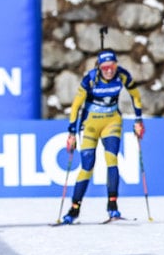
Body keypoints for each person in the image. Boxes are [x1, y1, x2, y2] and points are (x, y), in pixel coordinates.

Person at [61, 49, 145, 224]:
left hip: (111, 123)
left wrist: (138, 120)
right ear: (99, 67)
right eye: (105, 67)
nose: (109, 70)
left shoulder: (122, 76)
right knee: (87, 166)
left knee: (112, 160)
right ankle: (74, 209)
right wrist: (71, 132)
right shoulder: (90, 79)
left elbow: (135, 96)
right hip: (90, 124)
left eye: (112, 66)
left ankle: (112, 207)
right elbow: (76, 105)